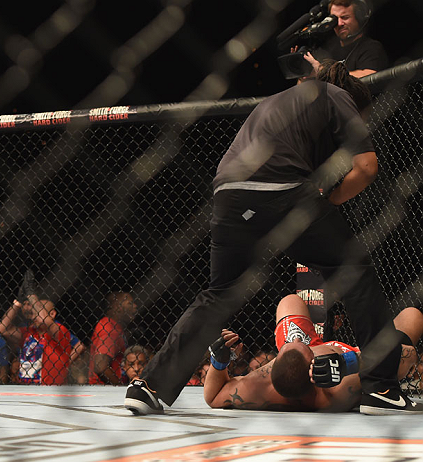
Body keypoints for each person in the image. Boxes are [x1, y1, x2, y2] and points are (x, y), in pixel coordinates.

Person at [124, 59, 419, 416]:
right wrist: (330, 199)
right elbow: (366, 166)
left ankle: (150, 387)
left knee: (220, 292)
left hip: (228, 194)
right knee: (354, 269)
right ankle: (381, 388)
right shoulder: (337, 95)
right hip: (280, 191)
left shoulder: (281, 102)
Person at [203, 294, 422, 412]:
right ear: (313, 366)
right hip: (358, 358)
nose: (298, 338)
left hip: (307, 355)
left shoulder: (258, 386)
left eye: (293, 342)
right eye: (300, 343)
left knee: (290, 301)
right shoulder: (341, 388)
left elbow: (212, 396)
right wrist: (348, 363)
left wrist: (219, 362)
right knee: (412, 315)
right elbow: (407, 355)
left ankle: (296, 347)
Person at [0, 296, 73, 385]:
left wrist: (32, 296)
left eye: (38, 313)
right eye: (33, 313)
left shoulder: (60, 331)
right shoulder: (29, 332)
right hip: (25, 389)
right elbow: (3, 329)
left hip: (49, 390)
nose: (34, 317)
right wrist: (17, 304)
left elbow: (44, 321)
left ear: (52, 314)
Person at [305, 0, 387, 78]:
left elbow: (370, 76)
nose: (339, 23)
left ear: (359, 18)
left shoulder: (371, 47)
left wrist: (324, 72)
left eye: (345, 17)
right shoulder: (326, 50)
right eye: (335, 19)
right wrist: (303, 74)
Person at [89, 292, 139, 385]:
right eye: (130, 303)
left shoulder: (116, 328)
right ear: (117, 306)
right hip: (105, 392)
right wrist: (120, 388)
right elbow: (101, 366)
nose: (135, 306)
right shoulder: (109, 328)